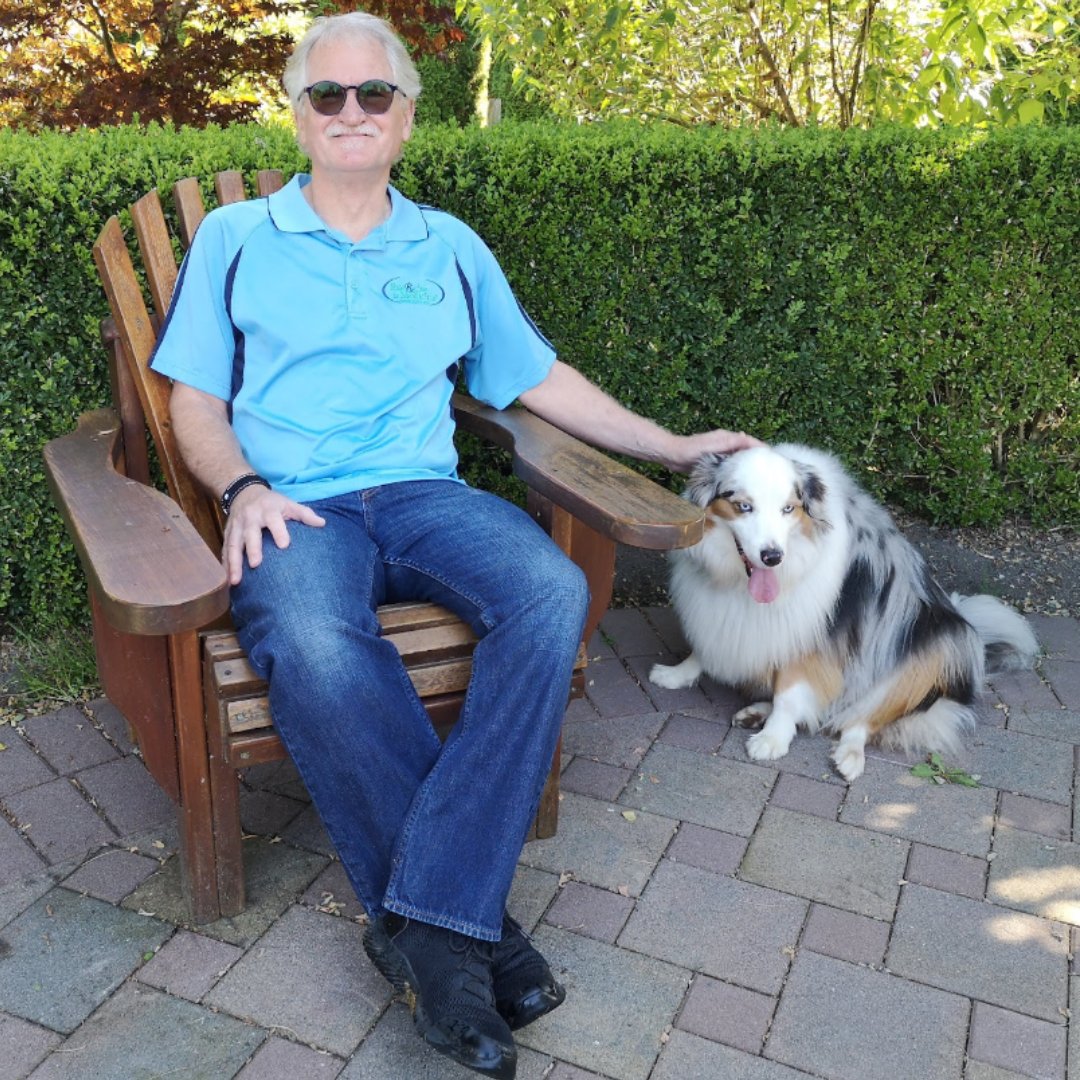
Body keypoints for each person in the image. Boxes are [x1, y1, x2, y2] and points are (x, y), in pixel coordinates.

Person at [150, 12, 759, 1078]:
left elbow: (534, 382)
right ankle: (476, 940)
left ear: (406, 119)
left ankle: (429, 925)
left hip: (424, 495)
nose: (350, 112)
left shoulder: (449, 247)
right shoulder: (237, 238)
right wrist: (240, 488)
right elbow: (194, 399)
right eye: (326, 94)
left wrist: (669, 443)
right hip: (293, 506)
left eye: (371, 95)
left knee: (547, 590)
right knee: (318, 644)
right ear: (297, 113)